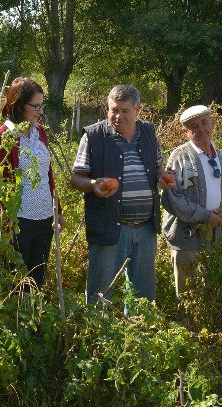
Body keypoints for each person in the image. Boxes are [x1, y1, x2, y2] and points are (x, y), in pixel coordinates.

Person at [71, 84, 166, 305]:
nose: (117, 116)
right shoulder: (94, 136)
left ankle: (138, 336)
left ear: (138, 110)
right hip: (109, 226)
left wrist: (162, 178)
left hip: (145, 229)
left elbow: (159, 168)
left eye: (124, 111)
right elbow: (76, 179)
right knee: (100, 294)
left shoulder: (148, 132)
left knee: (142, 296)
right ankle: (99, 334)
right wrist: (94, 184)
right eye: (113, 110)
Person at [0, 77, 64, 289]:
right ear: (18, 105)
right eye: (35, 106)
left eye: (41, 105)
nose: (40, 111)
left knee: (37, 279)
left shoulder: (40, 132)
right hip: (18, 223)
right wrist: (2, 222)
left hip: (44, 218)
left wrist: (58, 210)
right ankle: (16, 321)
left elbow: (48, 174)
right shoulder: (0, 139)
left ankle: (34, 319)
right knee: (16, 282)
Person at [161, 105, 222, 296]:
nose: (201, 129)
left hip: (216, 235)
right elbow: (172, 197)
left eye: (204, 122)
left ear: (212, 124)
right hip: (186, 238)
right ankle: (188, 326)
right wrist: (204, 216)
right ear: (186, 132)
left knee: (214, 291)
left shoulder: (221, 156)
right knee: (188, 294)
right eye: (193, 126)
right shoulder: (179, 157)